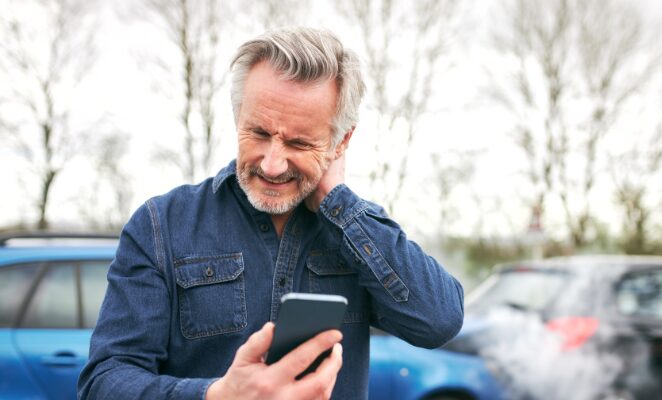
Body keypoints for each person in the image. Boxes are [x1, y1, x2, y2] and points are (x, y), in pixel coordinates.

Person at [78, 27, 464, 400]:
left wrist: (337, 203)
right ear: (238, 118)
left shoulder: (359, 234)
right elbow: (104, 382)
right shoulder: (161, 225)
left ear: (341, 141)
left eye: (299, 143)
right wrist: (217, 397)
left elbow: (439, 321)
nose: (272, 164)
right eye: (259, 133)